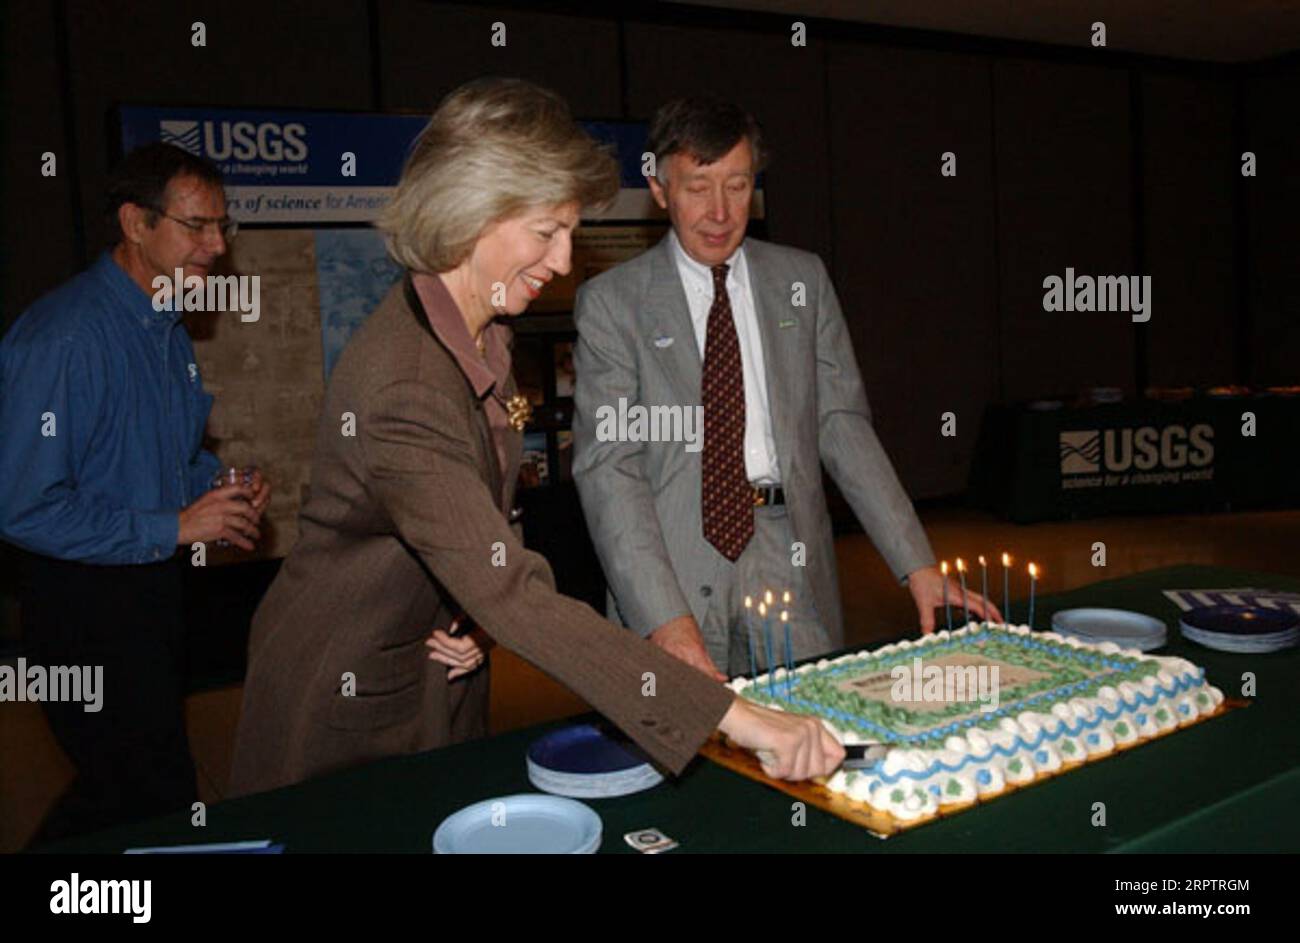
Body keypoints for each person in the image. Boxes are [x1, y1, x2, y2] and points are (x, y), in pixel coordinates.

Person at [228, 78, 843, 797]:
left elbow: (473, 528)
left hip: (435, 667)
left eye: (570, 234)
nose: (562, 262)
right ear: (471, 211)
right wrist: (734, 716)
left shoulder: (480, 329)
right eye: (547, 232)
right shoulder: (405, 387)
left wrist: (469, 608)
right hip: (349, 696)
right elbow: (514, 592)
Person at [572, 97, 1000, 680]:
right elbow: (610, 468)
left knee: (814, 718)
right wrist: (662, 617)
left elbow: (842, 425)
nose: (720, 211)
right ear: (658, 187)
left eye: (738, 186)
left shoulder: (802, 281)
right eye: (698, 188)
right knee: (682, 728)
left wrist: (916, 563)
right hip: (668, 561)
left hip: (788, 552)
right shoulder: (612, 304)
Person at [0, 142, 271, 841]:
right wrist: (176, 527)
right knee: (140, 791)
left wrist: (218, 489)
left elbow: (162, 465)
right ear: (134, 223)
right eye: (196, 225)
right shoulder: (63, 338)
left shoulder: (166, 328)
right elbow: (22, 506)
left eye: (221, 226)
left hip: (150, 596)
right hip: (82, 607)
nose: (217, 246)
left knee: (143, 789)